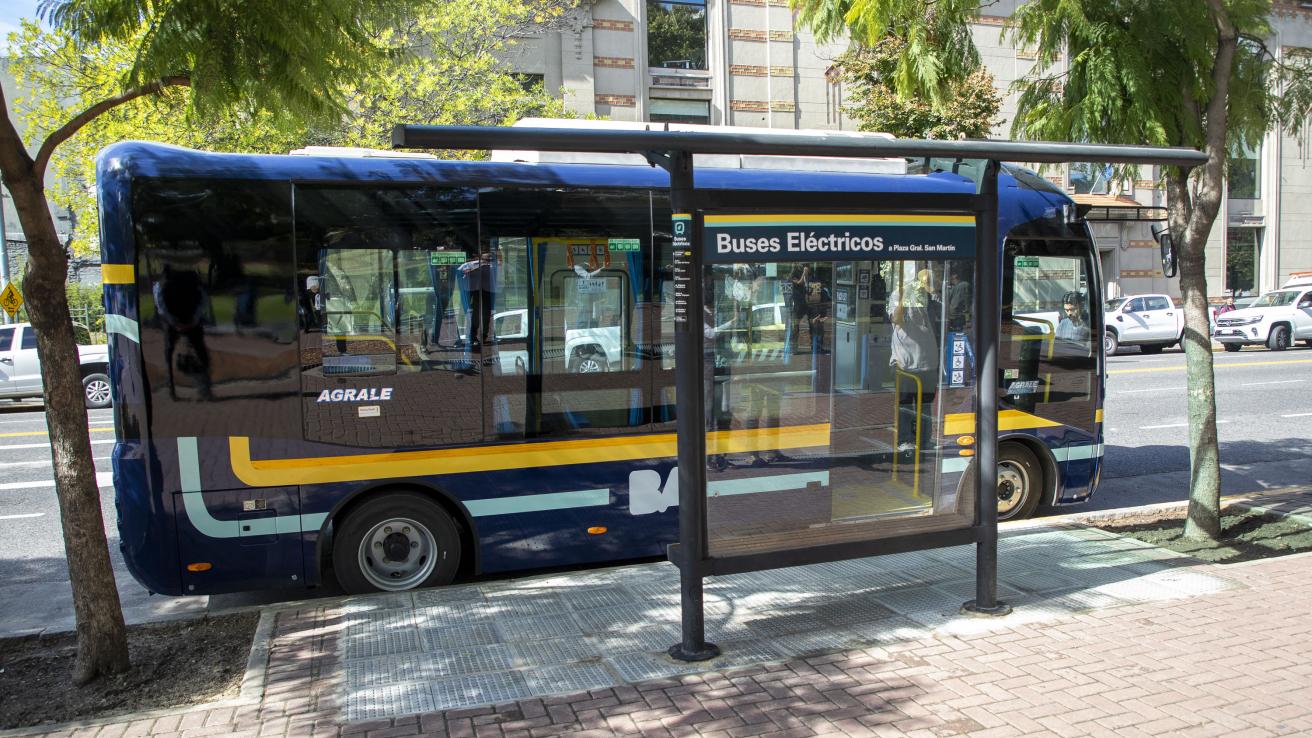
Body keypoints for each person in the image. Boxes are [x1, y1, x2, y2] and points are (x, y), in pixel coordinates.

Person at [888, 268, 941, 454]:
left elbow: (943, 319)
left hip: (928, 359)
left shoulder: (931, 299)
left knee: (925, 403)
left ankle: (924, 439)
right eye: (925, 283)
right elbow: (895, 318)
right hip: (906, 360)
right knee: (905, 403)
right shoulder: (899, 295)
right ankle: (905, 439)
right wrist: (904, 297)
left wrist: (932, 295)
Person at [153, 265, 213, 400]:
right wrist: (192, 319)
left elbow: (160, 303)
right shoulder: (186, 276)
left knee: (195, 352)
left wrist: (189, 319)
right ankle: (174, 388)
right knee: (193, 352)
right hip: (182, 320)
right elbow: (203, 298)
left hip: (182, 319)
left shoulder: (167, 280)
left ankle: (203, 388)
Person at [459, 250, 498, 347]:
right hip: (475, 290)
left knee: (487, 314)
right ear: (480, 258)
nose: (488, 261)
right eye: (486, 259)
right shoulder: (472, 264)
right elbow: (460, 271)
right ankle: (472, 336)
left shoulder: (494, 266)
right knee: (476, 314)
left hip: (488, 291)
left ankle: (484, 335)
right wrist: (472, 270)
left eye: (490, 259)